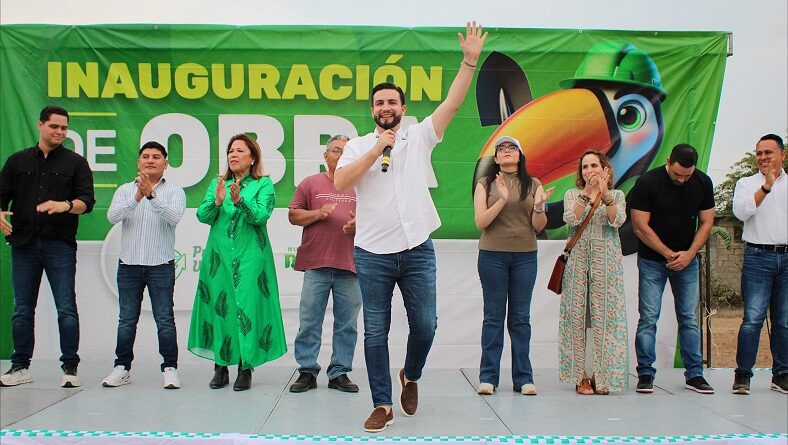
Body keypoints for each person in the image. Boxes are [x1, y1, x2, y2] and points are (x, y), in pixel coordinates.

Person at [334, 22, 487, 433]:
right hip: (372, 253)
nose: (386, 106)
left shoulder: (421, 136)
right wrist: (376, 150)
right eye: (380, 102)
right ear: (372, 110)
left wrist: (469, 62)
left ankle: (411, 374)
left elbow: (452, 105)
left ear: (403, 107)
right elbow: (342, 182)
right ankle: (382, 404)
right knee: (375, 330)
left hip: (417, 248)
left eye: (393, 101)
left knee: (426, 324)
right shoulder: (356, 146)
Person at [0, 105, 95, 388]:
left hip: (60, 245)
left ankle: (70, 367)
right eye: (55, 126)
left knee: (66, 307)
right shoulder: (17, 162)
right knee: (22, 309)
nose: (60, 132)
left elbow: (86, 203)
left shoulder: (76, 163)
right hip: (24, 244)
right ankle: (20, 367)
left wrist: (64, 205)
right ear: (40, 125)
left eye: (64, 128)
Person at [187, 134, 287, 391]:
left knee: (247, 307)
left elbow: (261, 216)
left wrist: (240, 201)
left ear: (252, 158)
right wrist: (218, 201)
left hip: (251, 257)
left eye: (239, 151)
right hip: (218, 257)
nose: (233, 155)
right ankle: (220, 366)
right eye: (230, 150)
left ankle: (245, 366)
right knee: (221, 307)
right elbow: (202, 215)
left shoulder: (263, 184)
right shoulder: (217, 183)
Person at [629, 143, 715, 394]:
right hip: (653, 261)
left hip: (687, 261)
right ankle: (645, 372)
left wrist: (689, 254)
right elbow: (639, 226)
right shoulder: (647, 182)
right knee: (648, 318)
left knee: (689, 319)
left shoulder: (702, 182)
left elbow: (707, 221)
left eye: (686, 176)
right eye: (677, 174)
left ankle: (695, 374)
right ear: (668, 161)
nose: (681, 179)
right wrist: (668, 254)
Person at [101, 141, 186, 389]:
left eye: (156, 157)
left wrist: (151, 195)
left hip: (161, 265)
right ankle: (122, 367)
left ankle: (170, 368)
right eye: (146, 156)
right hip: (128, 266)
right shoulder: (125, 190)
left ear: (165, 163)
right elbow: (112, 216)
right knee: (127, 320)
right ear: (138, 162)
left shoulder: (175, 191)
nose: (151, 160)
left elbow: (174, 218)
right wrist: (138, 196)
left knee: (164, 319)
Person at [473, 136, 550, 396]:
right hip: (492, 256)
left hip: (525, 256)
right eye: (502, 149)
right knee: (493, 317)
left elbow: (539, 227)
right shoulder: (486, 183)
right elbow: (481, 222)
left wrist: (539, 208)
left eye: (512, 148)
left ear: (520, 155)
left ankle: (523, 377)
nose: (507, 152)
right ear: (496, 158)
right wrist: (501, 199)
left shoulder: (534, 184)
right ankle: (488, 377)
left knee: (520, 319)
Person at [288, 135, 362, 394]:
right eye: (336, 151)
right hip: (317, 264)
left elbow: (378, 219)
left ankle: (339, 373)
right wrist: (318, 214)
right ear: (325, 156)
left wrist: (359, 225)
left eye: (346, 151)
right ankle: (307, 371)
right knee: (309, 320)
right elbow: (293, 215)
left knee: (347, 324)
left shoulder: (363, 184)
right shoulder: (310, 183)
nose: (341, 156)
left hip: (352, 265)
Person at [559, 150, 628, 395]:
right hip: (578, 262)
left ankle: (603, 375)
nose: (589, 171)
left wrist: (605, 193)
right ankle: (581, 376)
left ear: (604, 168)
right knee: (577, 319)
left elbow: (617, 220)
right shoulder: (572, 195)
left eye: (594, 165)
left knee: (606, 319)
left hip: (606, 264)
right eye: (585, 167)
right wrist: (587, 194)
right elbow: (571, 218)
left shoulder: (617, 195)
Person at [731, 133, 787, 395]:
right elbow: (741, 213)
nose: (763, 158)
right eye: (759, 153)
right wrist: (766, 186)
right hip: (758, 257)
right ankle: (743, 374)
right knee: (752, 319)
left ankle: (782, 374)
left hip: (786, 257)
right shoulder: (745, 183)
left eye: (769, 153)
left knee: (784, 321)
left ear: (781, 155)